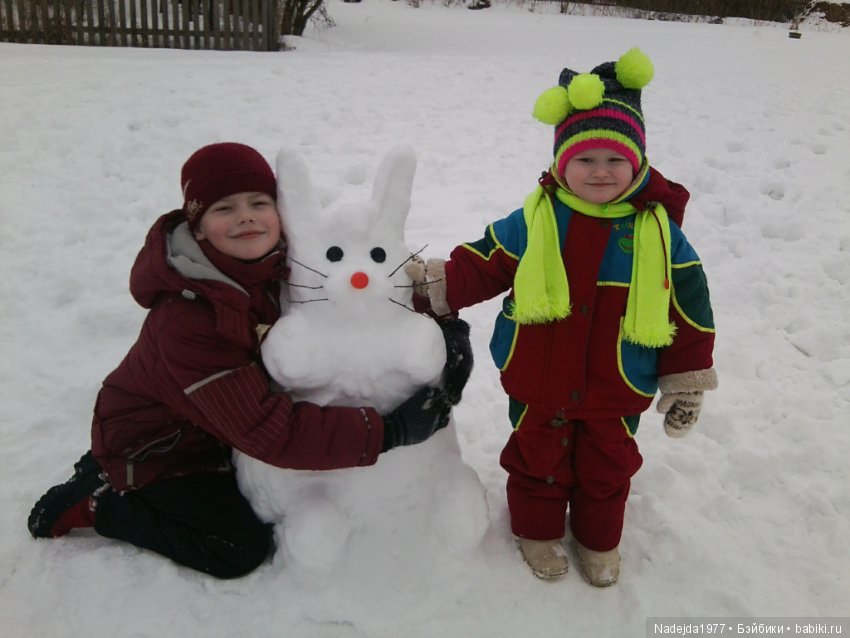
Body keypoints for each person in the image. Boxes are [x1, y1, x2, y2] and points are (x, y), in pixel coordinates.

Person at [27, 142, 473, 579]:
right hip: (166, 446)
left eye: (257, 202)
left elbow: (358, 301)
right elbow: (268, 431)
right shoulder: (188, 321)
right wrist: (390, 431)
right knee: (237, 548)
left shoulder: (271, 267)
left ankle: (105, 466)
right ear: (197, 228)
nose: (244, 216)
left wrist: (443, 331)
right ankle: (103, 503)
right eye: (224, 208)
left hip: (213, 421)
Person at [407, 49, 717, 586]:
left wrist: (685, 381)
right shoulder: (534, 221)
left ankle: (599, 542)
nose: (600, 172)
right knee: (537, 459)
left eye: (614, 160)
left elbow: (690, 309)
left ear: (637, 163)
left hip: (618, 381)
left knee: (608, 467)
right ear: (561, 163)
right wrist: (432, 286)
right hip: (540, 376)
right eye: (585, 160)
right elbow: (482, 262)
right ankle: (537, 531)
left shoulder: (662, 234)